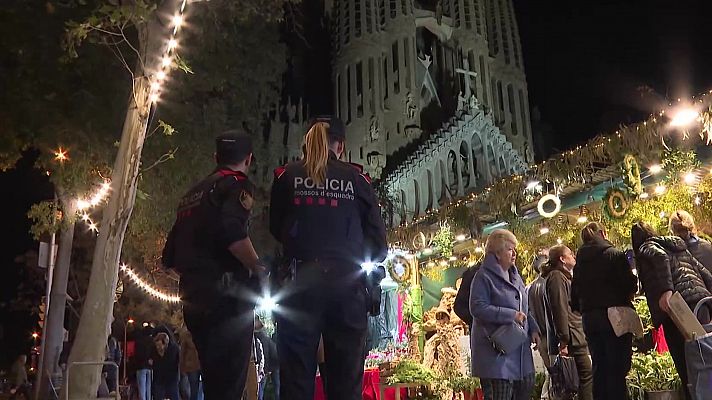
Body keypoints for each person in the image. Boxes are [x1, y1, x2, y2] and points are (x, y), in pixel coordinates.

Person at [269, 116, 388, 400]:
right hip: (347, 287)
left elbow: (276, 228)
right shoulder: (357, 179)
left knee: (296, 378)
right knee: (345, 379)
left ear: (307, 141)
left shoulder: (286, 176)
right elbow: (379, 242)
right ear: (341, 146)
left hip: (299, 285)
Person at [162, 132, 267, 399]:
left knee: (213, 385)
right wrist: (257, 267)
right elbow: (232, 231)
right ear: (249, 159)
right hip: (227, 300)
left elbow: (169, 258)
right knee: (230, 385)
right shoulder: (236, 186)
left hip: (194, 300)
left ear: (215, 158)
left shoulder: (191, 194)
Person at [632, 221, 712, 400]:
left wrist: (666, 290)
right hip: (701, 305)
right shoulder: (677, 245)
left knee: (686, 364)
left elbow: (660, 258)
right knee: (705, 357)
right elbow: (703, 271)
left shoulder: (647, 247)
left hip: (678, 310)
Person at [469, 229, 541, 400]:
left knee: (527, 385)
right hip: (495, 352)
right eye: (509, 249)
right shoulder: (483, 277)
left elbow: (524, 307)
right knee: (500, 395)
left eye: (514, 249)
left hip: (520, 350)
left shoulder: (515, 276)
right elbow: (477, 308)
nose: (514, 253)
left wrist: (534, 329)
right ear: (496, 253)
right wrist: (511, 315)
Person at [571, 222, 637, 400]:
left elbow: (574, 298)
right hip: (614, 318)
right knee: (617, 369)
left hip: (590, 320)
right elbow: (630, 284)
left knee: (599, 368)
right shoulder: (614, 255)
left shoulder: (579, 263)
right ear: (602, 233)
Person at [542, 245, 593, 400]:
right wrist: (563, 339)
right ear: (562, 259)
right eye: (570, 254)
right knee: (586, 376)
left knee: (585, 376)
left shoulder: (561, 277)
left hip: (575, 332)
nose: (573, 257)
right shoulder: (557, 277)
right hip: (573, 334)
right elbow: (559, 309)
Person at [526, 250, 551, 400]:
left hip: (540, 337)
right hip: (553, 337)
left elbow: (528, 313)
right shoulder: (551, 283)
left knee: (551, 373)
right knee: (560, 376)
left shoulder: (529, 288)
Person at [254, 316, 278, 400]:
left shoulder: (260, 337)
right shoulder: (264, 336)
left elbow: (265, 354)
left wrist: (266, 370)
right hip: (270, 366)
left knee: (259, 391)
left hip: (265, 368)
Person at [180, 330, 203, 400]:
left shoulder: (205, 333)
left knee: (202, 389)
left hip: (202, 365)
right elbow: (182, 352)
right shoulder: (187, 335)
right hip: (192, 366)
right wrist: (182, 367)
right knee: (194, 390)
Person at [134, 324, 154, 400]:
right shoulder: (152, 342)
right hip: (150, 367)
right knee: (148, 389)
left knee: (142, 389)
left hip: (141, 366)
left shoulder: (139, 341)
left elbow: (137, 354)